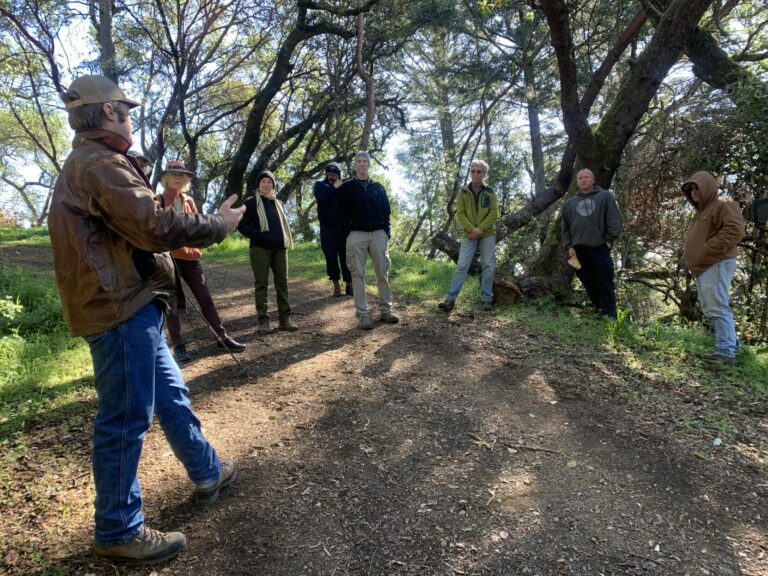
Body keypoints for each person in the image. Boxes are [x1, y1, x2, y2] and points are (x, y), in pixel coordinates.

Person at [48, 75, 242, 564]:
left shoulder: (98, 163)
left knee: (172, 396)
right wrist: (218, 223)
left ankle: (206, 469)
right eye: (126, 110)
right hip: (119, 310)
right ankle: (117, 528)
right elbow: (154, 226)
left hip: (133, 303)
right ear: (109, 111)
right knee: (125, 418)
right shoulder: (99, 164)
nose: (132, 118)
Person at [158, 160, 246, 362]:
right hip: (170, 258)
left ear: (187, 179)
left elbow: (198, 225)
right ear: (165, 178)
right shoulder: (159, 200)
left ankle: (221, 337)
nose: (178, 177)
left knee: (205, 298)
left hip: (191, 258)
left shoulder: (188, 200)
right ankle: (179, 346)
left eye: (182, 174)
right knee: (173, 304)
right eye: (174, 174)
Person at [682, 171, 745, 364]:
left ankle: (726, 352)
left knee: (717, 307)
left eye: (697, 188)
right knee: (713, 307)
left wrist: (708, 250)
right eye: (691, 189)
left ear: (708, 187)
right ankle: (728, 348)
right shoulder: (703, 211)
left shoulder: (723, 204)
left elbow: (735, 230)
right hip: (706, 266)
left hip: (716, 263)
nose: (694, 192)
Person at [336, 151, 398, 330]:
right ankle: (363, 315)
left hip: (378, 233)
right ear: (355, 166)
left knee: (382, 272)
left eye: (365, 161)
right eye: (359, 162)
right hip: (356, 234)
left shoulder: (378, 187)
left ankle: (386, 311)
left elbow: (387, 211)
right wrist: (347, 234)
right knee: (357, 274)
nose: (362, 164)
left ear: (369, 165)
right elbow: (339, 213)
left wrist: (386, 232)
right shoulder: (347, 188)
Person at [238, 170, 298, 334]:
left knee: (282, 284)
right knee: (262, 284)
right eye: (263, 181)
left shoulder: (278, 203)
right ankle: (263, 321)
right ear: (258, 185)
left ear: (273, 185)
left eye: (269, 182)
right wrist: (257, 235)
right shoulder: (251, 203)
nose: (266, 184)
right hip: (260, 249)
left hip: (280, 249)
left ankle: (285, 320)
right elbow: (241, 225)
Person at [561, 168, 623, 320]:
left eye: (587, 177)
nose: (583, 180)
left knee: (605, 280)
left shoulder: (605, 196)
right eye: (580, 178)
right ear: (577, 181)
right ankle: (600, 310)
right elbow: (565, 228)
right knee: (588, 281)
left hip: (599, 247)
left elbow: (615, 220)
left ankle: (611, 314)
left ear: (593, 180)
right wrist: (569, 246)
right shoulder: (569, 204)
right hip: (578, 251)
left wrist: (609, 241)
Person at [438, 159, 498, 312]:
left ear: (484, 174)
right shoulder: (463, 192)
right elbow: (461, 214)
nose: (475, 174)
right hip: (469, 234)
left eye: (479, 171)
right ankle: (450, 299)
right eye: (473, 171)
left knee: (488, 266)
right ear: (470, 172)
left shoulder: (490, 192)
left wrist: (480, 230)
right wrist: (472, 229)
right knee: (462, 265)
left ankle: (487, 300)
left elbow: (493, 214)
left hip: (487, 234)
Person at [313, 162, 352, 297]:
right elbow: (320, 196)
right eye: (329, 174)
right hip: (327, 227)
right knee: (330, 257)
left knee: (345, 257)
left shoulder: (345, 187)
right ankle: (336, 285)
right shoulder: (320, 185)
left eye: (334, 175)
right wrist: (334, 187)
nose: (331, 177)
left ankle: (349, 284)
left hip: (343, 227)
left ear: (338, 175)